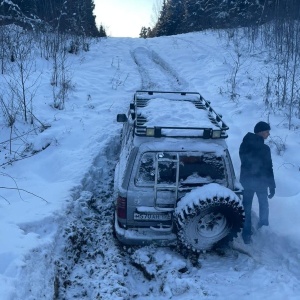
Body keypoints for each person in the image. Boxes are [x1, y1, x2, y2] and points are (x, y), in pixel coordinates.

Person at [239, 121, 276, 244]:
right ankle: (263, 227)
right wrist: (271, 185)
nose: (268, 134)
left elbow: (244, 162)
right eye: (266, 131)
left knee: (247, 207)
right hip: (260, 182)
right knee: (263, 205)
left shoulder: (244, 144)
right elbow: (268, 168)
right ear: (260, 132)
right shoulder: (264, 148)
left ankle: (246, 234)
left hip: (248, 181)